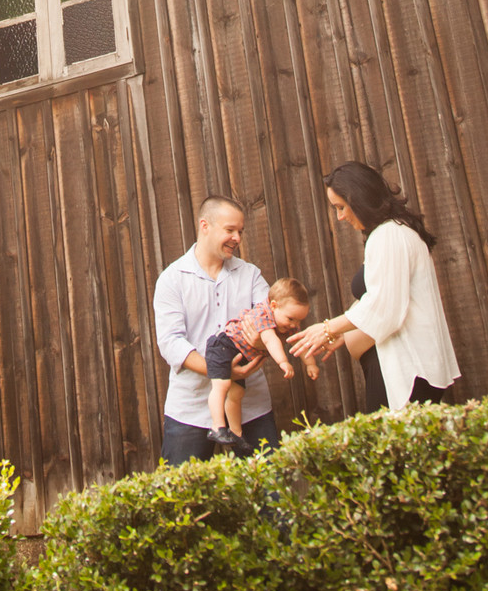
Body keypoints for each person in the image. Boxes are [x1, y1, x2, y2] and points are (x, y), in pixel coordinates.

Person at [289, 161, 459, 410]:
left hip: (407, 367)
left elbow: (384, 306)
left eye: (341, 207)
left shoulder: (389, 235)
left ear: (360, 199)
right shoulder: (395, 232)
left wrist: (328, 328)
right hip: (403, 365)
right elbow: (386, 297)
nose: (340, 217)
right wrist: (346, 333)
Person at [152, 194, 279, 461]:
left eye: (240, 231)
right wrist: (221, 369)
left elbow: (270, 321)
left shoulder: (251, 275)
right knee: (184, 499)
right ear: (205, 226)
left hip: (251, 405)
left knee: (270, 495)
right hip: (190, 408)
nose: (237, 238)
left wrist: (254, 346)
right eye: (230, 230)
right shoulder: (172, 280)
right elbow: (171, 342)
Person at [204, 277, 318, 450]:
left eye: (299, 321)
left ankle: (236, 433)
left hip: (239, 353)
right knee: (222, 385)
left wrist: (310, 364)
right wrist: (283, 362)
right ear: (273, 306)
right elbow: (270, 340)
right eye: (291, 319)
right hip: (223, 346)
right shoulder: (262, 315)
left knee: (237, 394)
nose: (294, 325)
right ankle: (217, 426)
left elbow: (299, 342)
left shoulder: (287, 322)